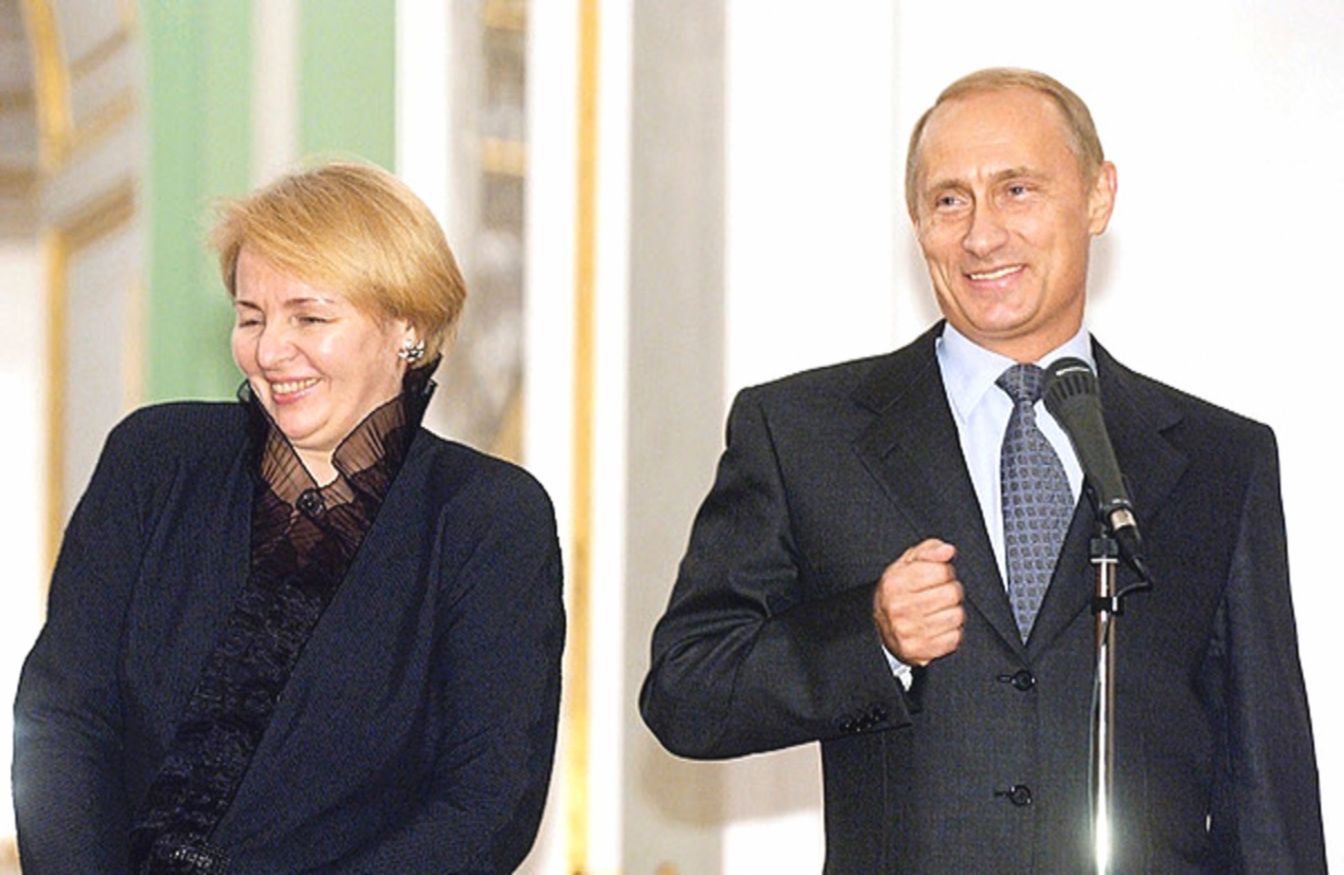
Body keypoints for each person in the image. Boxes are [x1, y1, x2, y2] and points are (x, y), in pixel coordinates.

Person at [640, 69, 1326, 872]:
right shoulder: (802, 432)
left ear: (1098, 196)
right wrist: (872, 638)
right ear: (918, 224)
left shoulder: (1218, 459)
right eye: (949, 200)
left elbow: (1268, 792)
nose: (981, 235)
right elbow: (687, 691)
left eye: (1017, 190)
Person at [14, 162, 565, 873]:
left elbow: (486, 804)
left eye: (309, 317)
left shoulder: (486, 518)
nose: (270, 350)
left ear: (407, 328)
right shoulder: (154, 460)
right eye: (251, 317)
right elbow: (62, 718)